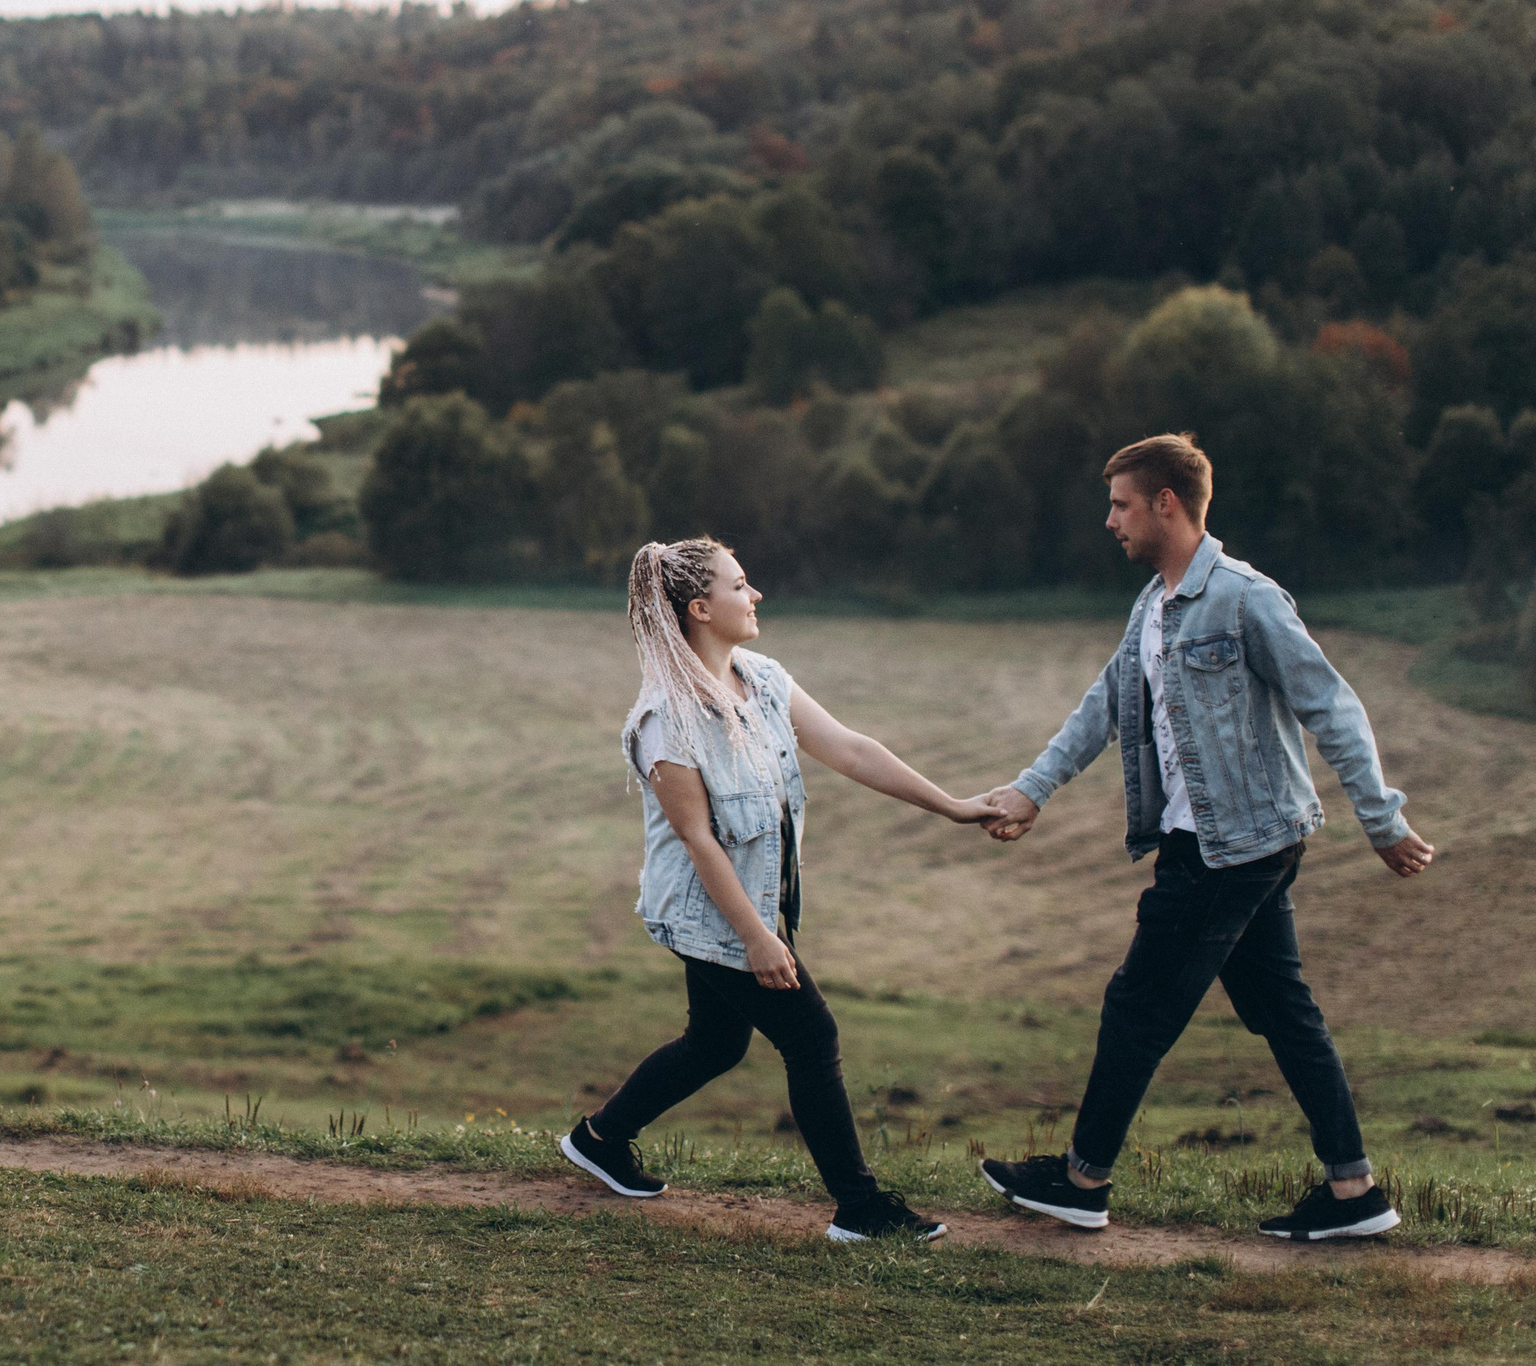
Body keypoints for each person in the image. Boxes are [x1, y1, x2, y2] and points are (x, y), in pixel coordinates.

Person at [975, 433, 1433, 1243]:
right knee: (1283, 1010)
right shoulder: (1151, 606)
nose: (1108, 519)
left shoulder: (1247, 598)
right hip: (1223, 844)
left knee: (1136, 1006)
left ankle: (1083, 1179)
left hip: (1233, 847)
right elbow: (1105, 706)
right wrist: (1033, 788)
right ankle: (1355, 1189)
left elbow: (1333, 705)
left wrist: (1383, 819)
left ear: (1166, 503)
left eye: (1120, 503)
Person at [559, 537, 1004, 1242]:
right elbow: (699, 842)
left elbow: (850, 747)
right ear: (701, 608)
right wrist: (758, 938)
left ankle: (600, 1138)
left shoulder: (760, 678)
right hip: (710, 915)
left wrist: (952, 805)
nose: (756, 593)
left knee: (714, 1044)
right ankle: (859, 1207)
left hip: (754, 906)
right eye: (742, 584)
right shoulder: (664, 723)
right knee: (811, 1033)